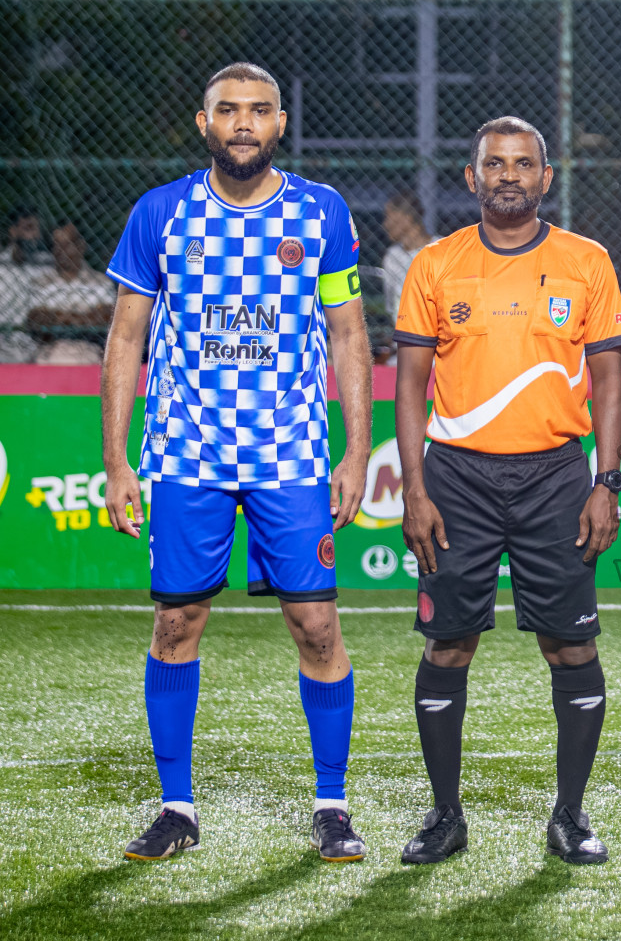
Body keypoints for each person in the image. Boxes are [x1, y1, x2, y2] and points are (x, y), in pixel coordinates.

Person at [100, 62, 373, 863]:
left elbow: (351, 337)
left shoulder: (320, 213)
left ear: (280, 124)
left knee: (317, 624)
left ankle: (331, 804)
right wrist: (116, 460)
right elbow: (126, 339)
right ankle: (176, 807)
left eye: (259, 110)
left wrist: (356, 452)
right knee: (176, 621)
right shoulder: (161, 213)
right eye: (229, 111)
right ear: (203, 122)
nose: (243, 123)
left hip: (289, 456)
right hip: (186, 457)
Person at [391, 117, 621, 865]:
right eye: (494, 163)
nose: (509, 175)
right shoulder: (435, 265)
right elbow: (407, 388)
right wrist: (416, 489)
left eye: (524, 164)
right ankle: (444, 817)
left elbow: (609, 381)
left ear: (546, 178)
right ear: (471, 177)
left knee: (571, 645)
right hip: (456, 478)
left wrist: (606, 480)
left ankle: (570, 816)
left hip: (557, 475)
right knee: (448, 645)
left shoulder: (585, 263)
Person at [27, 220, 116, 363]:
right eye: (57, 245)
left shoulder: (100, 282)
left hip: (90, 349)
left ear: (81, 246)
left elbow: (106, 317)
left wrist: (58, 318)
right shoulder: (41, 282)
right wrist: (85, 317)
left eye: (67, 245)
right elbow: (37, 318)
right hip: (49, 349)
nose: (60, 251)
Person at [381, 192, 434, 327]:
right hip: (402, 335)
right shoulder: (392, 256)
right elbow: (391, 305)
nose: (385, 225)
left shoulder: (441, 249)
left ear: (406, 218)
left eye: (389, 217)